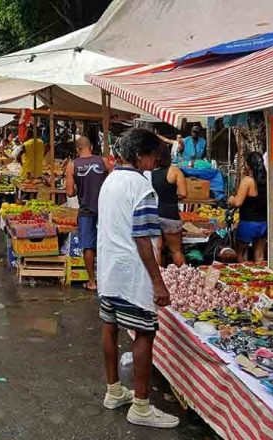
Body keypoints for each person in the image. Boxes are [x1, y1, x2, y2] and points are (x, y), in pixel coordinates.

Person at [97, 128, 179, 429]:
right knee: (144, 333)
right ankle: (142, 407)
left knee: (110, 326)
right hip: (132, 272)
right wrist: (158, 281)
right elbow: (143, 237)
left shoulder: (111, 180)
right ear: (140, 155)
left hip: (108, 269)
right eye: (152, 155)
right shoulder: (141, 187)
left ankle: (114, 391)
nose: (155, 160)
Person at [64, 137, 110, 291]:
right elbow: (115, 183)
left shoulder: (72, 165)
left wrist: (81, 189)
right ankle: (109, 281)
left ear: (77, 150)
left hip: (86, 211)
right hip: (106, 210)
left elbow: (70, 193)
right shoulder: (104, 161)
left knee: (88, 246)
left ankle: (92, 281)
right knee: (108, 243)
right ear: (91, 146)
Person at [151, 143, 187, 266]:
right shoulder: (175, 171)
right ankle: (185, 279)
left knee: (156, 249)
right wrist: (171, 196)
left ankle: (157, 281)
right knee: (175, 250)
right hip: (170, 214)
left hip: (153, 214)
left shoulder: (148, 173)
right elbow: (183, 193)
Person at [229, 152, 268, 262]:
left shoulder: (247, 181)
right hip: (264, 223)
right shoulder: (267, 180)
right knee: (260, 254)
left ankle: (243, 277)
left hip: (248, 223)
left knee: (241, 253)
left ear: (248, 165)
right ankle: (261, 277)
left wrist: (231, 199)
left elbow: (238, 202)